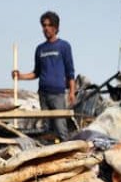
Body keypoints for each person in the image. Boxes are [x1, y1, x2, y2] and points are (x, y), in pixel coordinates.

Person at [12, 11, 75, 141]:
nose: (46, 28)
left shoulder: (64, 46)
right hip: (43, 94)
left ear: (56, 28)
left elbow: (70, 72)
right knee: (48, 129)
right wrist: (20, 76)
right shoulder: (40, 49)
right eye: (44, 25)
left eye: (49, 25)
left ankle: (65, 154)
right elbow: (36, 72)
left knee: (60, 127)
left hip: (57, 94)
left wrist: (72, 92)